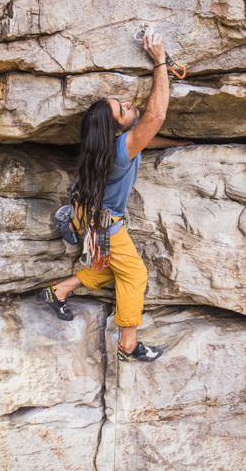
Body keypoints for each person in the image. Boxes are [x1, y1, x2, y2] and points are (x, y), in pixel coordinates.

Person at [39, 32, 191, 362]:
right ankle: (129, 344)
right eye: (121, 109)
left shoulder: (107, 147)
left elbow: (147, 136)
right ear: (117, 130)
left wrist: (182, 145)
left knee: (112, 269)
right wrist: (160, 61)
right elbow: (155, 117)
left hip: (84, 212)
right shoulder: (122, 150)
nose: (127, 104)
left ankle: (59, 290)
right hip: (105, 224)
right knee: (134, 274)